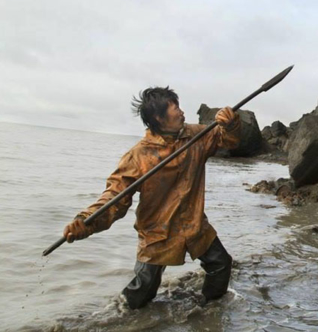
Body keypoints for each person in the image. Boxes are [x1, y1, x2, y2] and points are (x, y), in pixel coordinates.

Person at [63, 86, 241, 309]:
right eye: (176, 108)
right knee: (144, 288)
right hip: (158, 231)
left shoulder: (196, 135)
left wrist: (230, 124)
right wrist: (86, 221)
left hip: (194, 224)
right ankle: (119, 318)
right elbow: (114, 197)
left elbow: (227, 141)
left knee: (221, 264)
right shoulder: (138, 156)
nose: (182, 112)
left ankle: (209, 309)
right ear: (159, 117)